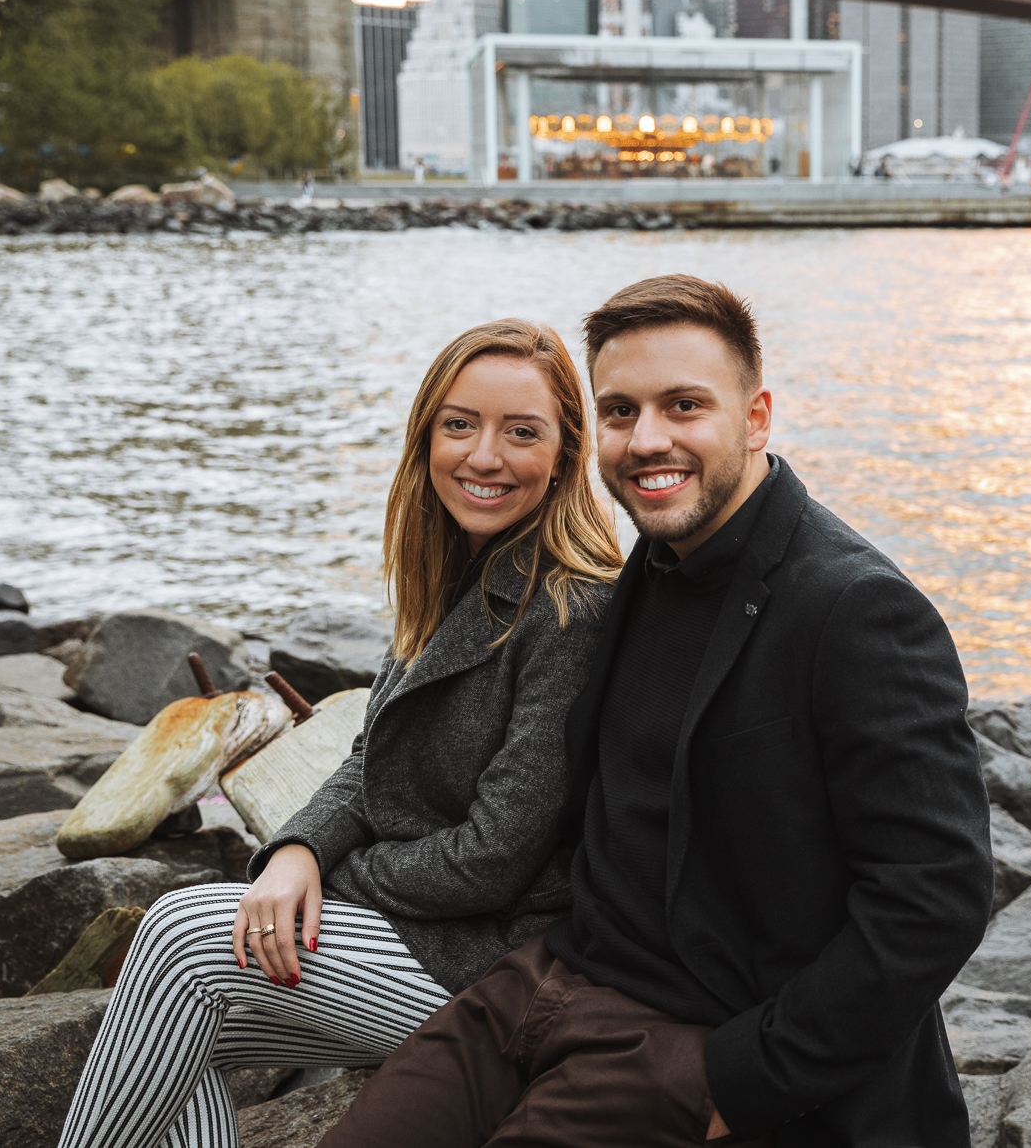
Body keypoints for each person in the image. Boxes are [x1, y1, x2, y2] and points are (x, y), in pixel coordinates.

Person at [319, 276, 994, 1148]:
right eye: (621, 411)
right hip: (547, 981)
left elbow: (936, 897)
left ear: (756, 419)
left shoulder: (855, 610)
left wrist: (744, 1079)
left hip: (694, 1034)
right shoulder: (647, 571)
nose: (648, 440)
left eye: (684, 406)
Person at [57, 319, 623, 1148]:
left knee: (177, 938)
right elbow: (370, 761)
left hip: (493, 961)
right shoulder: (447, 577)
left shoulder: (573, 608)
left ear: (566, 453)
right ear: (426, 434)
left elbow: (495, 856)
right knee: (164, 1043)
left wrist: (332, 879)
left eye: (522, 431)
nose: (484, 455)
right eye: (459, 423)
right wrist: (296, 851)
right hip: (420, 930)